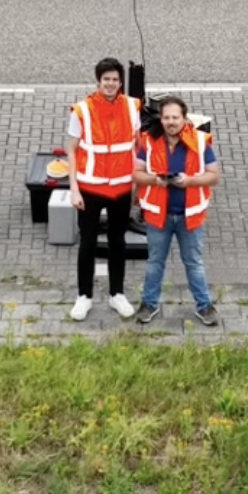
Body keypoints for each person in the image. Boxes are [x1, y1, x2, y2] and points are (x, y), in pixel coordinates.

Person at [133, 95, 221, 327]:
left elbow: (214, 176)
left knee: (193, 263)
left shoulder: (201, 142)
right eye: (166, 118)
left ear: (184, 119)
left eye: (175, 117)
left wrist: (189, 181)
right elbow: (136, 174)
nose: (171, 122)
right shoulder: (149, 142)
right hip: (158, 216)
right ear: (160, 119)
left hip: (189, 216)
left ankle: (205, 306)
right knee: (155, 262)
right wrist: (155, 179)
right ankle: (149, 303)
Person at [66, 57, 141, 321]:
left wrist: (138, 187)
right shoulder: (82, 110)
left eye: (115, 80)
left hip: (121, 188)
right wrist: (73, 188)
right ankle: (83, 296)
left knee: (117, 242)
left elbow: (137, 148)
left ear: (121, 82)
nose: (110, 84)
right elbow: (71, 150)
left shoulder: (133, 107)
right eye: (106, 79)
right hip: (90, 189)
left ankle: (117, 294)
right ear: (98, 81)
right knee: (87, 243)